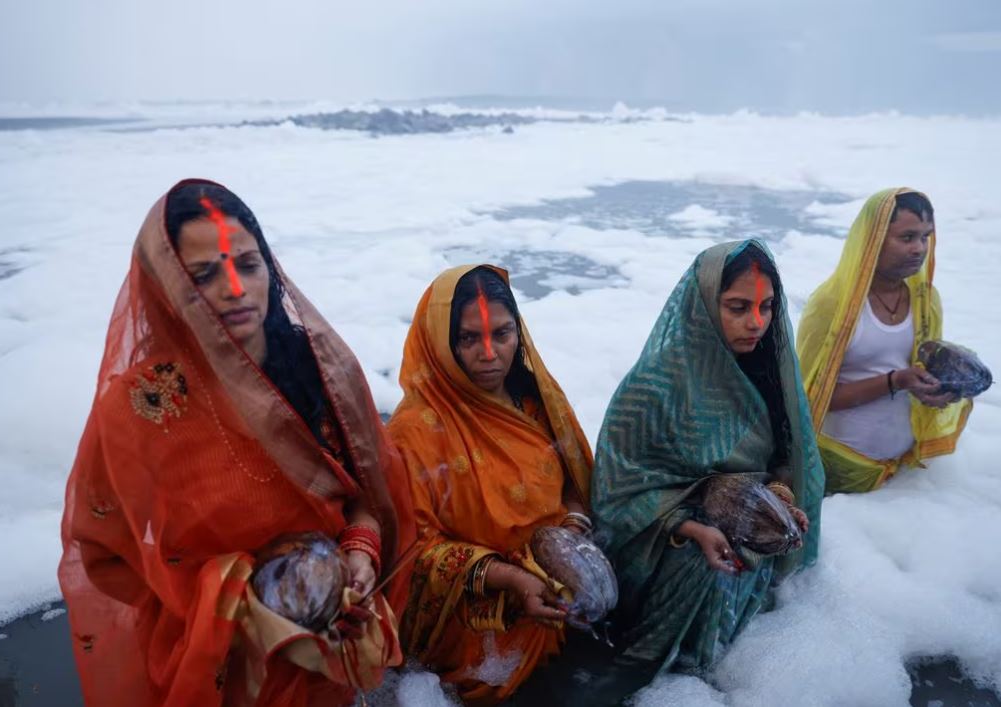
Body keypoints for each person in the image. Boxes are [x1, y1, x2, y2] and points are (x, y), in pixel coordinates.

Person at [58, 179, 415, 706]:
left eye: (248, 264)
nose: (236, 288)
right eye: (203, 275)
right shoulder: (142, 406)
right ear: (167, 289)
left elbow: (366, 495)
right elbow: (105, 556)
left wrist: (359, 551)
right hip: (220, 668)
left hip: (329, 644)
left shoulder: (319, 372)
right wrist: (225, 606)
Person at [590, 240, 823, 696]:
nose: (756, 322)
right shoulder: (653, 385)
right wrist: (688, 526)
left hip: (747, 526)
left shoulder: (770, 370)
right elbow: (616, 493)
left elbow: (791, 459)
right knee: (704, 565)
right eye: (738, 307)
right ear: (703, 305)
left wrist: (780, 497)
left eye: (767, 306)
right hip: (669, 547)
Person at [388, 265, 594, 704]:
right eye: (468, 339)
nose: (489, 353)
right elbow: (414, 551)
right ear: (440, 342)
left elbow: (578, 485)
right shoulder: (417, 430)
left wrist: (570, 537)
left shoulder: (535, 403)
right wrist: (511, 579)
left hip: (555, 578)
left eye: (502, 334)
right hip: (474, 612)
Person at [797, 189, 972, 494]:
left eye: (925, 237)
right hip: (841, 469)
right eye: (907, 238)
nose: (919, 249)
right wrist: (896, 381)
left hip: (903, 470)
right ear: (873, 238)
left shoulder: (925, 299)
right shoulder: (832, 305)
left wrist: (937, 392)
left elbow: (923, 371)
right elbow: (811, 398)